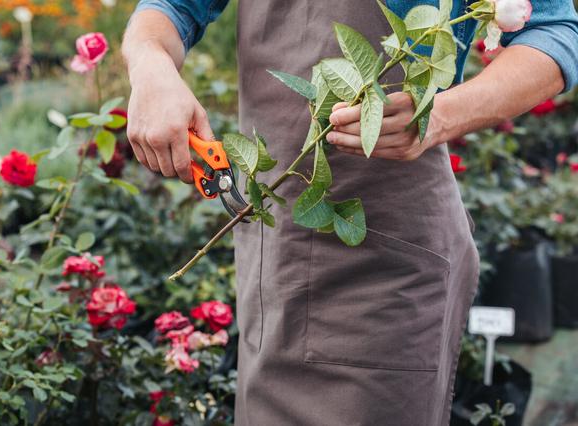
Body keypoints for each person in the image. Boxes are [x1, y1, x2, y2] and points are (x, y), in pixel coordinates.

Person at [123, 1, 578, 425]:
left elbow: (555, 34)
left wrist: (437, 116)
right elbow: (171, 8)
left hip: (384, 269)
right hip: (275, 255)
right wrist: (150, 66)